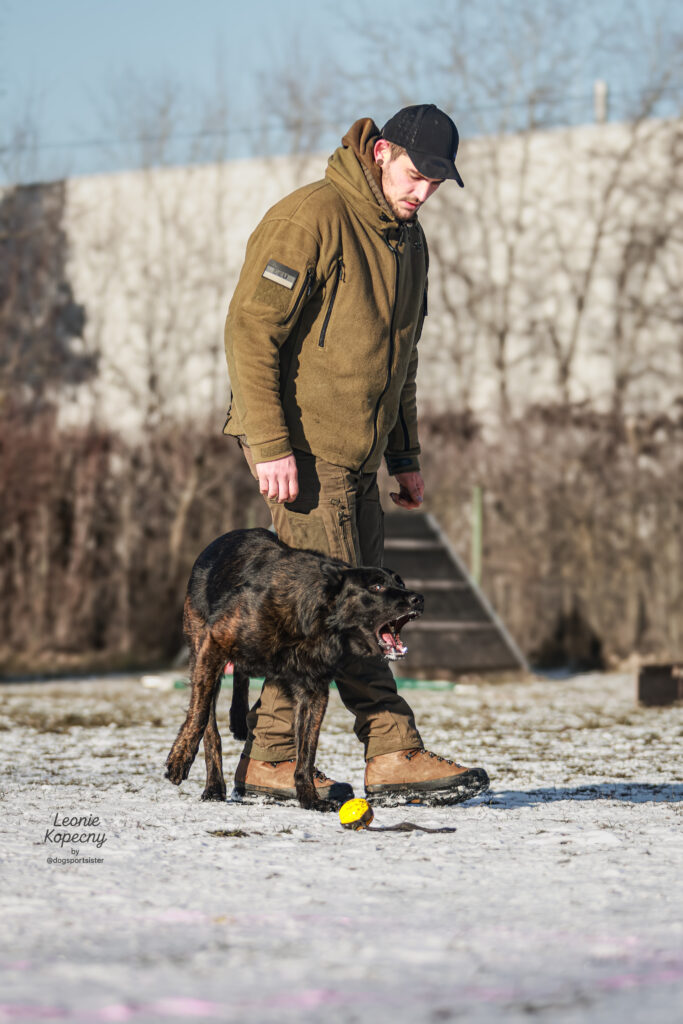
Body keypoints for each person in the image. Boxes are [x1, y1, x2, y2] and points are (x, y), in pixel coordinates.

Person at [223, 103, 489, 805]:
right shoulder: (311, 218)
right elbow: (250, 334)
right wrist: (270, 442)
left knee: (310, 618)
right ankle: (392, 748)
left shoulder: (408, 241)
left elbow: (401, 360)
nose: (421, 192)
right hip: (307, 455)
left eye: (435, 183)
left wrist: (404, 455)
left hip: (360, 461)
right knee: (355, 611)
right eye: (413, 174)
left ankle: (272, 758)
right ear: (380, 152)